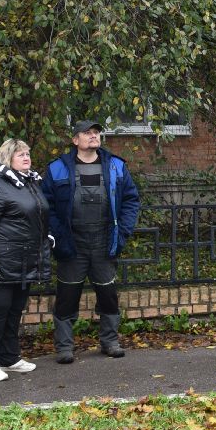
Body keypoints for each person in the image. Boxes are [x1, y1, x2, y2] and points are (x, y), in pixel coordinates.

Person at [45, 120, 141, 362]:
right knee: (67, 296)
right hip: (72, 242)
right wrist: (58, 236)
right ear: (75, 140)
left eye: (96, 132)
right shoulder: (57, 169)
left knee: (108, 295)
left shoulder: (116, 167)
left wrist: (124, 231)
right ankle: (64, 347)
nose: (93, 136)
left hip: (103, 240)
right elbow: (47, 206)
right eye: (87, 133)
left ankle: (110, 341)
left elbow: (131, 200)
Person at [0, 138, 53, 382]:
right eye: (20, 154)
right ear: (7, 158)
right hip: (0, 263)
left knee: (14, 311)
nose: (26, 157)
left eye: (27, 153)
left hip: (23, 261)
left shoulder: (28, 183)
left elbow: (36, 217)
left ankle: (9, 357)